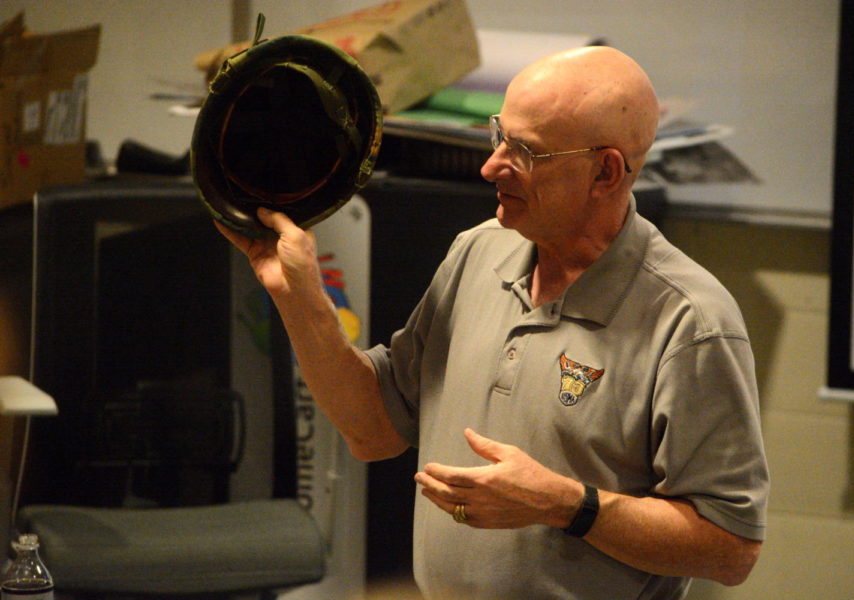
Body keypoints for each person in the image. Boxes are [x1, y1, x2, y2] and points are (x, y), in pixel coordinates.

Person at [217, 45, 769, 600]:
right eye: (499, 135)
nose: (490, 166)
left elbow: (729, 549)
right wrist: (297, 293)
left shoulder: (691, 320)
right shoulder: (478, 253)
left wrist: (563, 505)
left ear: (605, 171)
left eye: (525, 151)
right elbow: (372, 429)